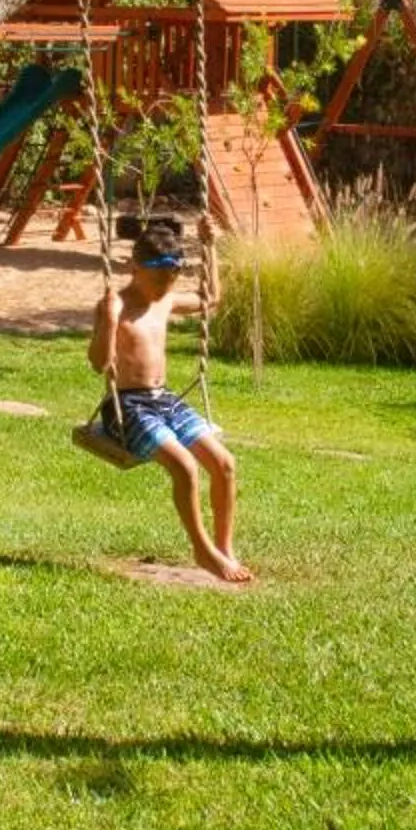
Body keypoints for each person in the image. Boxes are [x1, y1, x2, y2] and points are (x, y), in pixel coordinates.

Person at [88, 214, 251, 584]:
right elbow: (99, 364)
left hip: (164, 400)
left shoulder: (166, 300)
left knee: (224, 463)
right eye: (158, 280)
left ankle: (224, 546)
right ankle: (202, 549)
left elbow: (211, 298)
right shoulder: (114, 305)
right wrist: (110, 322)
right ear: (135, 268)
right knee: (185, 466)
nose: (164, 289)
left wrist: (210, 247)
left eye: (171, 280)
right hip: (125, 406)